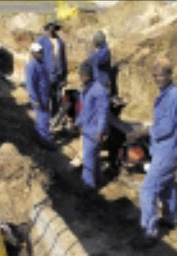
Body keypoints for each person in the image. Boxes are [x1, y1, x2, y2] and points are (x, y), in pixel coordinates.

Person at [131, 56, 177, 249]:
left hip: (167, 151)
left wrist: (146, 131)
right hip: (165, 149)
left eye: (160, 75)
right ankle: (172, 218)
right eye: (155, 75)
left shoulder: (174, 97)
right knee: (167, 186)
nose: (157, 79)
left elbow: (168, 128)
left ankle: (149, 231)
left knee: (148, 189)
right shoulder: (166, 94)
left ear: (169, 75)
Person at [74, 61, 110, 191]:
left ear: (90, 75)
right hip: (87, 129)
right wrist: (79, 122)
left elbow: (103, 113)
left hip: (94, 131)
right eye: (81, 75)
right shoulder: (85, 89)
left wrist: (100, 131)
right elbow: (83, 109)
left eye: (84, 75)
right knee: (94, 158)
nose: (82, 77)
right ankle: (99, 179)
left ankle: (88, 187)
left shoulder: (99, 91)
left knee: (88, 160)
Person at [25, 43, 54, 149]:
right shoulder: (31, 66)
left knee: (45, 118)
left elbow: (45, 80)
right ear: (32, 53)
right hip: (39, 97)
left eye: (41, 51)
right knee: (42, 118)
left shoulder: (42, 64)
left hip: (45, 96)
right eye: (38, 52)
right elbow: (30, 84)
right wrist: (35, 99)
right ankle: (44, 141)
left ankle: (43, 138)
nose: (40, 53)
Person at [38, 19, 67, 117]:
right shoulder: (41, 41)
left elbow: (63, 59)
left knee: (57, 97)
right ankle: (45, 117)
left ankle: (54, 117)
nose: (52, 29)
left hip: (58, 74)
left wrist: (64, 75)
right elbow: (37, 58)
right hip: (46, 74)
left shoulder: (60, 42)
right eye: (50, 26)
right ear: (47, 27)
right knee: (45, 96)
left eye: (53, 27)